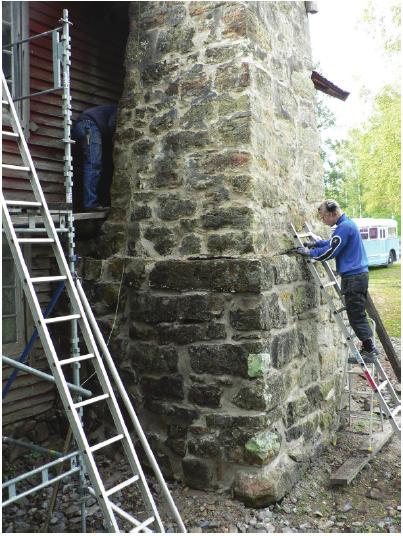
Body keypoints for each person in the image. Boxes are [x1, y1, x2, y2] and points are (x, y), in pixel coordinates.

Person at [295, 200, 379, 363]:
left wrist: (309, 253)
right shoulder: (345, 226)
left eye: (323, 216)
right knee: (357, 313)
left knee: (356, 315)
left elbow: (330, 251)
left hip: (354, 278)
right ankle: (368, 348)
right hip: (356, 276)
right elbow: (332, 242)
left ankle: (370, 350)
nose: (323, 220)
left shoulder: (345, 227)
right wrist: (316, 243)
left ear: (332, 214)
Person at [72, 104, 117, 211]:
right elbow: (112, 125)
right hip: (88, 126)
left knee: (92, 164)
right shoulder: (119, 110)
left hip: (84, 127)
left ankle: (87, 202)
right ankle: (91, 204)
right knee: (93, 164)